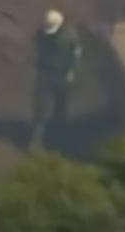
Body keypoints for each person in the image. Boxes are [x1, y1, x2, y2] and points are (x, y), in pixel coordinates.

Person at [31, 8, 81, 150]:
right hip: (45, 73)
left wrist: (71, 71)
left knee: (61, 104)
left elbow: (76, 54)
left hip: (62, 74)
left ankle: (60, 135)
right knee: (40, 106)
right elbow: (36, 46)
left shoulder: (70, 36)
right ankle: (36, 139)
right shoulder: (40, 34)